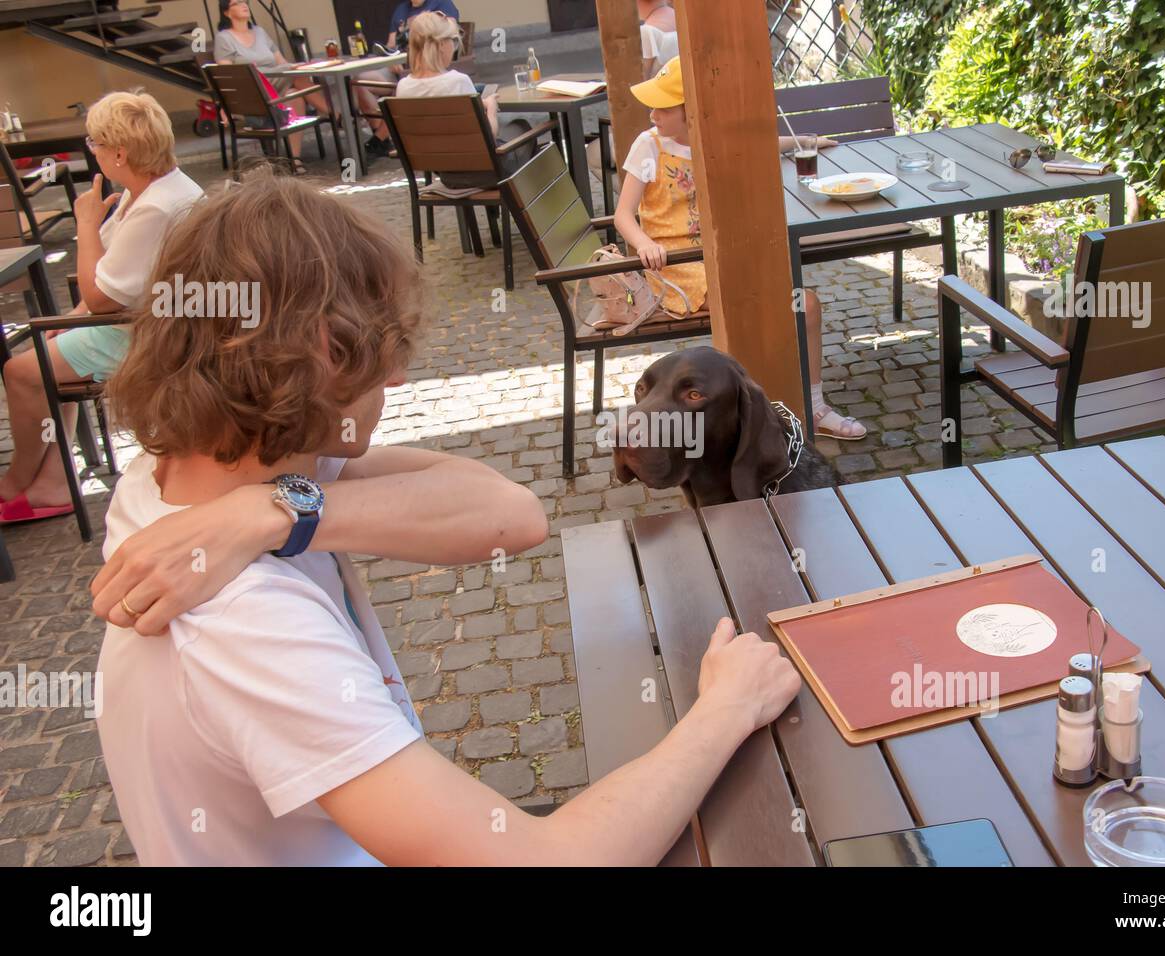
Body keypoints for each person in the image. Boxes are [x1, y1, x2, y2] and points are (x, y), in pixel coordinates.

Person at [91, 174, 801, 866]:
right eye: (376, 345)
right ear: (319, 351)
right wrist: (726, 708)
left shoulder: (177, 479)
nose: (395, 377)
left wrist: (273, 511)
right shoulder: (250, 629)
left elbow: (510, 513)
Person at [613, 57, 867, 439]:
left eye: (664, 107)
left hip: (722, 256)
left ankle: (812, 408)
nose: (653, 114)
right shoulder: (647, 146)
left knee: (806, 306)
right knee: (757, 313)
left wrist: (807, 142)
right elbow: (623, 216)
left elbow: (760, 141)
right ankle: (756, 422)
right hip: (677, 268)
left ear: (693, 112)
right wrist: (644, 242)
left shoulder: (715, 137)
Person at [0, 91, 203, 525]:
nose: (91, 152)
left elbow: (100, 297)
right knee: (50, 357)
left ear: (119, 152)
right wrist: (71, 320)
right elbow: (110, 275)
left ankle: (17, 479)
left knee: (19, 372)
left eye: (93, 143)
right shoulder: (158, 187)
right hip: (151, 318)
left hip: (151, 332)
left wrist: (86, 224)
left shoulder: (154, 206)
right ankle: (55, 477)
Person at [213, 0, 394, 163]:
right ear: (226, 12)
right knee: (298, 77)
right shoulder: (224, 38)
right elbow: (228, 74)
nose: (244, 5)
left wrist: (296, 66)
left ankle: (295, 160)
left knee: (296, 95)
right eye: (237, 2)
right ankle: (337, 116)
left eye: (246, 1)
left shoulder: (259, 32)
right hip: (255, 89)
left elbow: (282, 63)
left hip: (280, 85)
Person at [395, 12, 537, 186]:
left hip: (446, 174)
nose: (454, 47)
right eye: (453, 41)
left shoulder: (403, 87)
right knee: (522, 127)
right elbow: (488, 135)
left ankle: (493, 209)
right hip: (487, 171)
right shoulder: (457, 81)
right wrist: (491, 108)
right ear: (440, 44)